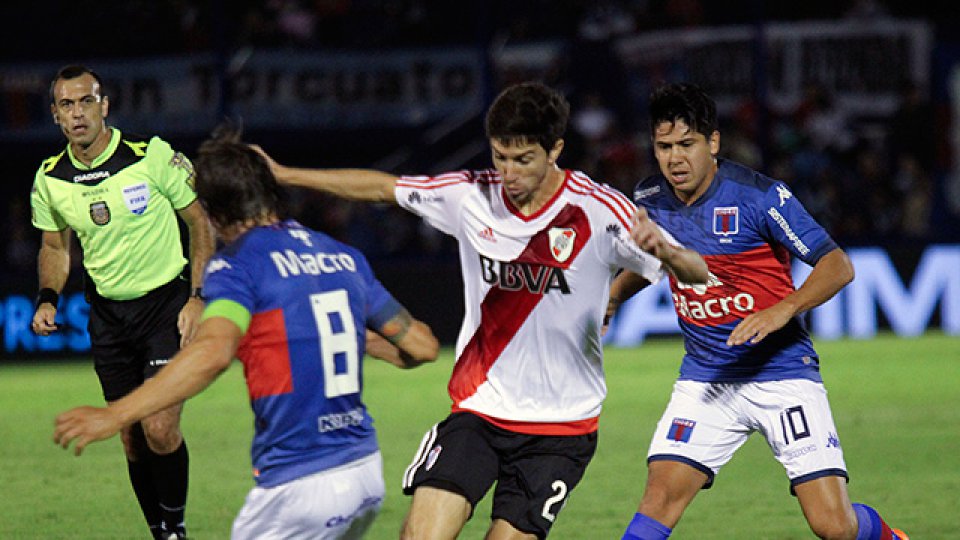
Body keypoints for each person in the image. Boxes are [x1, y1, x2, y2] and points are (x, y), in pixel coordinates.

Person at [253, 81, 709, 539]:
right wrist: (285, 175)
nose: (509, 172)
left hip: (561, 427)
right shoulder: (469, 194)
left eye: (523, 159)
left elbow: (695, 271)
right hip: (479, 411)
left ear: (555, 149)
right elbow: (383, 187)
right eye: (500, 156)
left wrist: (665, 257)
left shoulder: (599, 209)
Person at [52, 125, 441, 539]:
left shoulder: (237, 267)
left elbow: (212, 353)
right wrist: (338, 336)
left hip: (298, 487)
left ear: (215, 214)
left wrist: (116, 414)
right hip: (365, 473)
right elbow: (423, 346)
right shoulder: (342, 257)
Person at [608, 82, 909, 540]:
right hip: (706, 379)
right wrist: (611, 296)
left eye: (686, 144)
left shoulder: (759, 196)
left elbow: (837, 265)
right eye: (664, 146)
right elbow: (654, 258)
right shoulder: (651, 197)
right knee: (659, 501)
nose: (674, 159)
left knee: (835, 527)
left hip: (782, 373)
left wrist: (782, 310)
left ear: (713, 142)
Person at [31, 65, 215, 540]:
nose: (78, 113)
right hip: (109, 318)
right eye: (67, 105)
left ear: (104, 106)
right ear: (55, 116)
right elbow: (54, 247)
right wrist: (48, 297)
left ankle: (175, 528)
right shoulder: (51, 179)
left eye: (86, 101)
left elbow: (200, 222)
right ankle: (159, 531)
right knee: (131, 438)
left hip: (165, 308)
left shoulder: (150, 156)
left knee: (158, 426)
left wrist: (197, 296)